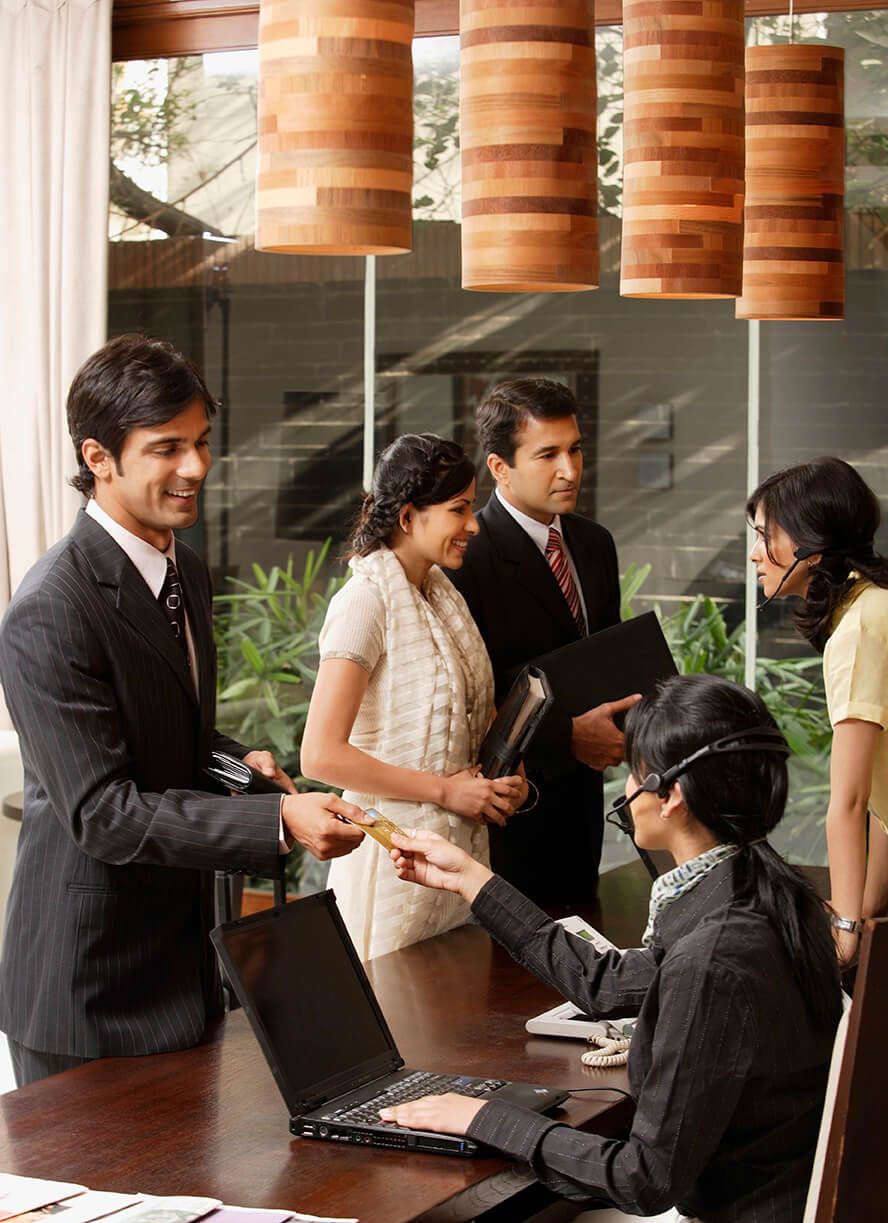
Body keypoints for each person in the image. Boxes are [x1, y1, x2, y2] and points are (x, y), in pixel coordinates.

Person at [381, 674, 842, 1223]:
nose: (625, 792)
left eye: (634, 775)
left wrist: (488, 1118)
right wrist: (470, 879)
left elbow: (644, 1178)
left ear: (673, 794)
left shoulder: (712, 956)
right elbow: (604, 983)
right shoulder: (768, 891)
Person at [0, 333, 366, 1087]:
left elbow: (188, 740)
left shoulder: (184, 569)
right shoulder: (49, 609)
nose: (195, 468)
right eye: (167, 448)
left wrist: (252, 775)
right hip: (88, 987)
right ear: (98, 458)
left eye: (201, 443)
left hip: (184, 966)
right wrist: (273, 824)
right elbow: (102, 811)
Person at [300, 433, 524, 959]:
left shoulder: (443, 593)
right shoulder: (364, 602)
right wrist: (446, 792)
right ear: (406, 517)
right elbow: (320, 754)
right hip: (391, 862)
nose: (473, 524)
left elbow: (472, 717)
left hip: (459, 859)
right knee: (407, 1027)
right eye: (459, 509)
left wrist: (500, 779)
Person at [448, 378, 637, 912]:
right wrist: (568, 734)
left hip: (585, 801)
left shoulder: (595, 544)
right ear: (499, 468)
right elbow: (470, 693)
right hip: (513, 806)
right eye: (548, 454)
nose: (570, 470)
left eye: (575, 449)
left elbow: (604, 656)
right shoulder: (468, 558)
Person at [748, 456, 888, 961]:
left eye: (764, 535)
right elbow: (883, 790)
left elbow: (850, 800)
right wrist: (871, 905)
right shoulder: (878, 603)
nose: (754, 553)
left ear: (808, 545)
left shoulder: (859, 630)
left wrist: (847, 929)